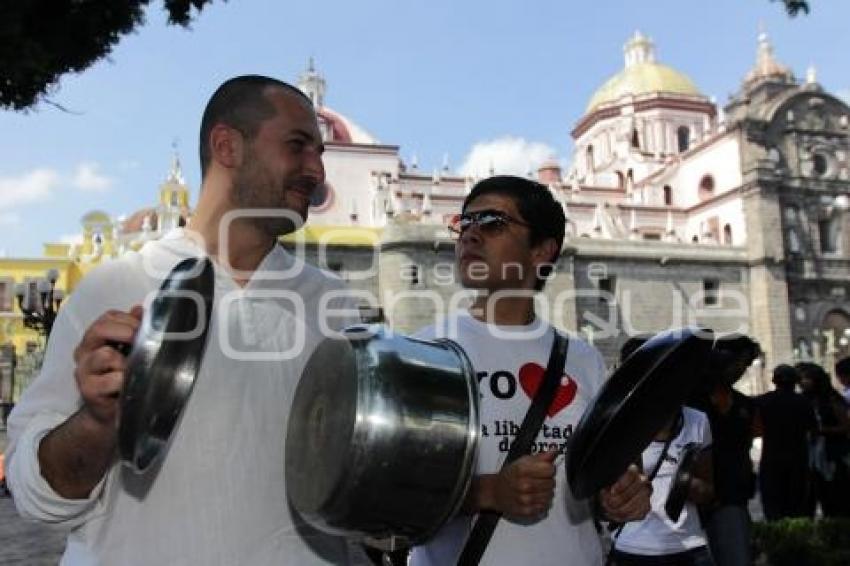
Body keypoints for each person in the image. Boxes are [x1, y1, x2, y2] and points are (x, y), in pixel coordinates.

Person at [4, 76, 367, 565]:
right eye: (298, 146)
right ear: (226, 146)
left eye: (320, 153)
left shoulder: (334, 305)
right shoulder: (113, 289)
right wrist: (98, 420)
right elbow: (38, 498)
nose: (317, 170)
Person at [409, 176, 651, 566]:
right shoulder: (423, 351)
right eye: (464, 223)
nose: (470, 235)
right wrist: (486, 493)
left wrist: (623, 496)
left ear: (542, 250)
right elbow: (388, 493)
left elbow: (610, 472)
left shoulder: (583, 359)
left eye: (492, 222)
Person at [609, 337, 716, 566]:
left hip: (689, 547)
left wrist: (691, 485)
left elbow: (710, 489)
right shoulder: (617, 425)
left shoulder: (697, 421)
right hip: (633, 548)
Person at [756, 365, 816, 520]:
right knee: (797, 507)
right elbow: (813, 429)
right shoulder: (804, 402)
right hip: (798, 459)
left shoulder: (763, 402)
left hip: (771, 458)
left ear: (774, 380)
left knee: (773, 508)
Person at [796, 361, 850, 517]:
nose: (802, 382)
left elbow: (845, 427)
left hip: (832, 456)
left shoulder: (832, 399)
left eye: (805, 378)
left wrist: (821, 430)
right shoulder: (804, 399)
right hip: (811, 458)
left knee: (835, 502)